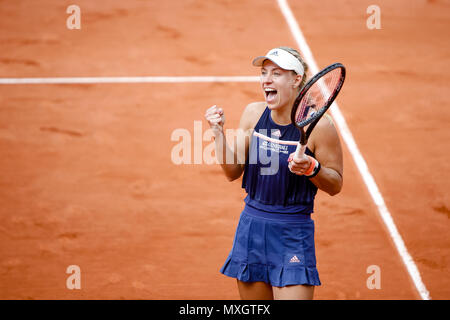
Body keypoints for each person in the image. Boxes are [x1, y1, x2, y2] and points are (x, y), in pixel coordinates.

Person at [204, 47, 343, 300]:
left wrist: (313, 169)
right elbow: (232, 171)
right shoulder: (253, 114)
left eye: (276, 74)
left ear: (296, 79)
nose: (266, 80)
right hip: (252, 229)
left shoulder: (320, 126)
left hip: (292, 233)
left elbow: (335, 184)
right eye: (264, 72)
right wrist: (217, 133)